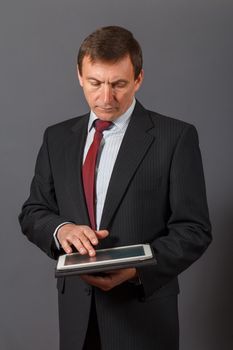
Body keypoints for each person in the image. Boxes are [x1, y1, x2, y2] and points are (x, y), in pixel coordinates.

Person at [19, 26, 212, 350]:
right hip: (77, 317)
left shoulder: (175, 138)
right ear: (80, 75)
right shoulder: (56, 138)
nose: (106, 98)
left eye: (119, 84)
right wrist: (62, 229)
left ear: (138, 79)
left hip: (144, 316)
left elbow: (194, 229)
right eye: (95, 83)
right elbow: (34, 211)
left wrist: (137, 269)